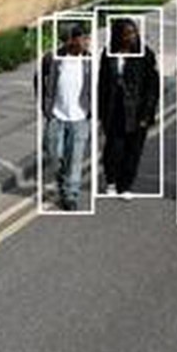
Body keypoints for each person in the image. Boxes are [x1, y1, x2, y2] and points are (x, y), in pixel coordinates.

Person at [98, 17, 161, 195]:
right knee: (113, 149)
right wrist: (100, 112)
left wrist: (147, 115)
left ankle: (125, 185)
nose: (132, 36)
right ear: (118, 36)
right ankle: (111, 180)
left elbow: (152, 88)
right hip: (114, 109)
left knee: (133, 150)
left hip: (137, 111)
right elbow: (102, 84)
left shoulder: (146, 54)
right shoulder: (108, 53)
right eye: (128, 33)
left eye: (134, 32)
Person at [37, 22, 93, 211]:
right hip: (56, 117)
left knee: (75, 159)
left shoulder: (89, 60)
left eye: (87, 38)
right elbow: (39, 81)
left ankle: (70, 195)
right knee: (54, 156)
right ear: (70, 40)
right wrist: (45, 107)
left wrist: (91, 109)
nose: (87, 42)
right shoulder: (51, 58)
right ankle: (63, 184)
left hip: (80, 118)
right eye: (82, 38)